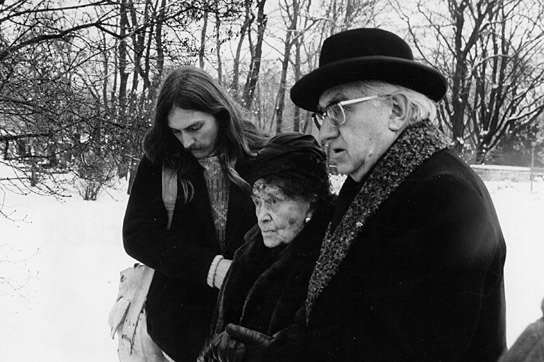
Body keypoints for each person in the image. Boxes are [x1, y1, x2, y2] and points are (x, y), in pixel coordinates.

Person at [211, 28, 507, 362]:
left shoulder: (442, 197)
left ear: (396, 110)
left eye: (338, 109)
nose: (324, 133)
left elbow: (397, 349)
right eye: (320, 116)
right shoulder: (375, 182)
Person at [123, 66, 268, 362]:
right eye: (176, 131)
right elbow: (138, 235)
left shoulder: (262, 156)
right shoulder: (160, 160)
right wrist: (209, 268)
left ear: (221, 114)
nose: (187, 142)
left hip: (249, 327)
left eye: (194, 128)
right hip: (178, 328)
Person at [205, 133, 334, 362]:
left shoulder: (329, 259)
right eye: (257, 202)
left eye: (273, 201)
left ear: (311, 204)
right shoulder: (249, 251)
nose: (261, 216)